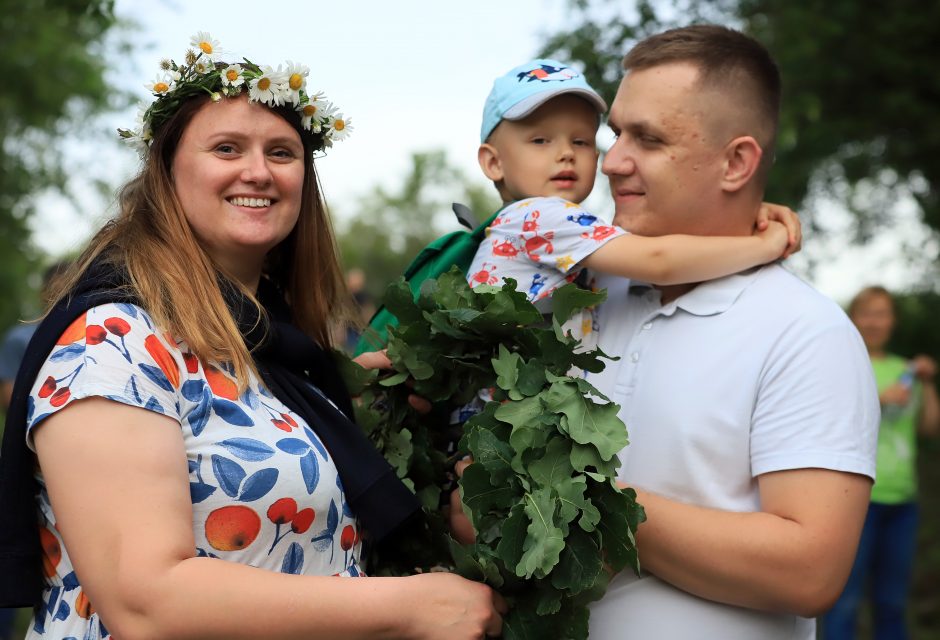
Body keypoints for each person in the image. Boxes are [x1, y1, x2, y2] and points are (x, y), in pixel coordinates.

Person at [0, 34, 504, 640]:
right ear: (166, 170)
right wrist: (412, 608)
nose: (258, 171)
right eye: (227, 147)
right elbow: (146, 602)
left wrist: (384, 407)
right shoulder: (113, 342)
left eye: (283, 153)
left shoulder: (276, 354)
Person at [575, 25, 879, 639]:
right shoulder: (573, 294)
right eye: (616, 134)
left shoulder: (804, 332)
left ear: (736, 162)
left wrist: (594, 506)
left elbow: (810, 570)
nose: (612, 162)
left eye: (649, 139)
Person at [468, 59, 799, 346]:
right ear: (493, 163)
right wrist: (764, 245)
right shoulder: (539, 217)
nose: (566, 153)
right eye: (540, 140)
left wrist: (746, 213)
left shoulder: (537, 228)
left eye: (581, 140)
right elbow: (660, 261)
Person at [823, 286, 940, 639]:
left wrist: (928, 383)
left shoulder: (905, 370)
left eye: (883, 313)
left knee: (892, 602)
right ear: (853, 318)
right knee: (844, 600)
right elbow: (827, 423)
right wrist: (876, 398)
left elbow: (929, 428)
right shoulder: (840, 365)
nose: (875, 321)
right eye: (867, 312)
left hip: (902, 500)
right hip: (855, 500)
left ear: (893, 321)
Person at [0, 262, 69, 411]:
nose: (64, 299)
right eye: (57, 291)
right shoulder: (18, 339)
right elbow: (8, 398)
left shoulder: (90, 334)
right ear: (43, 294)